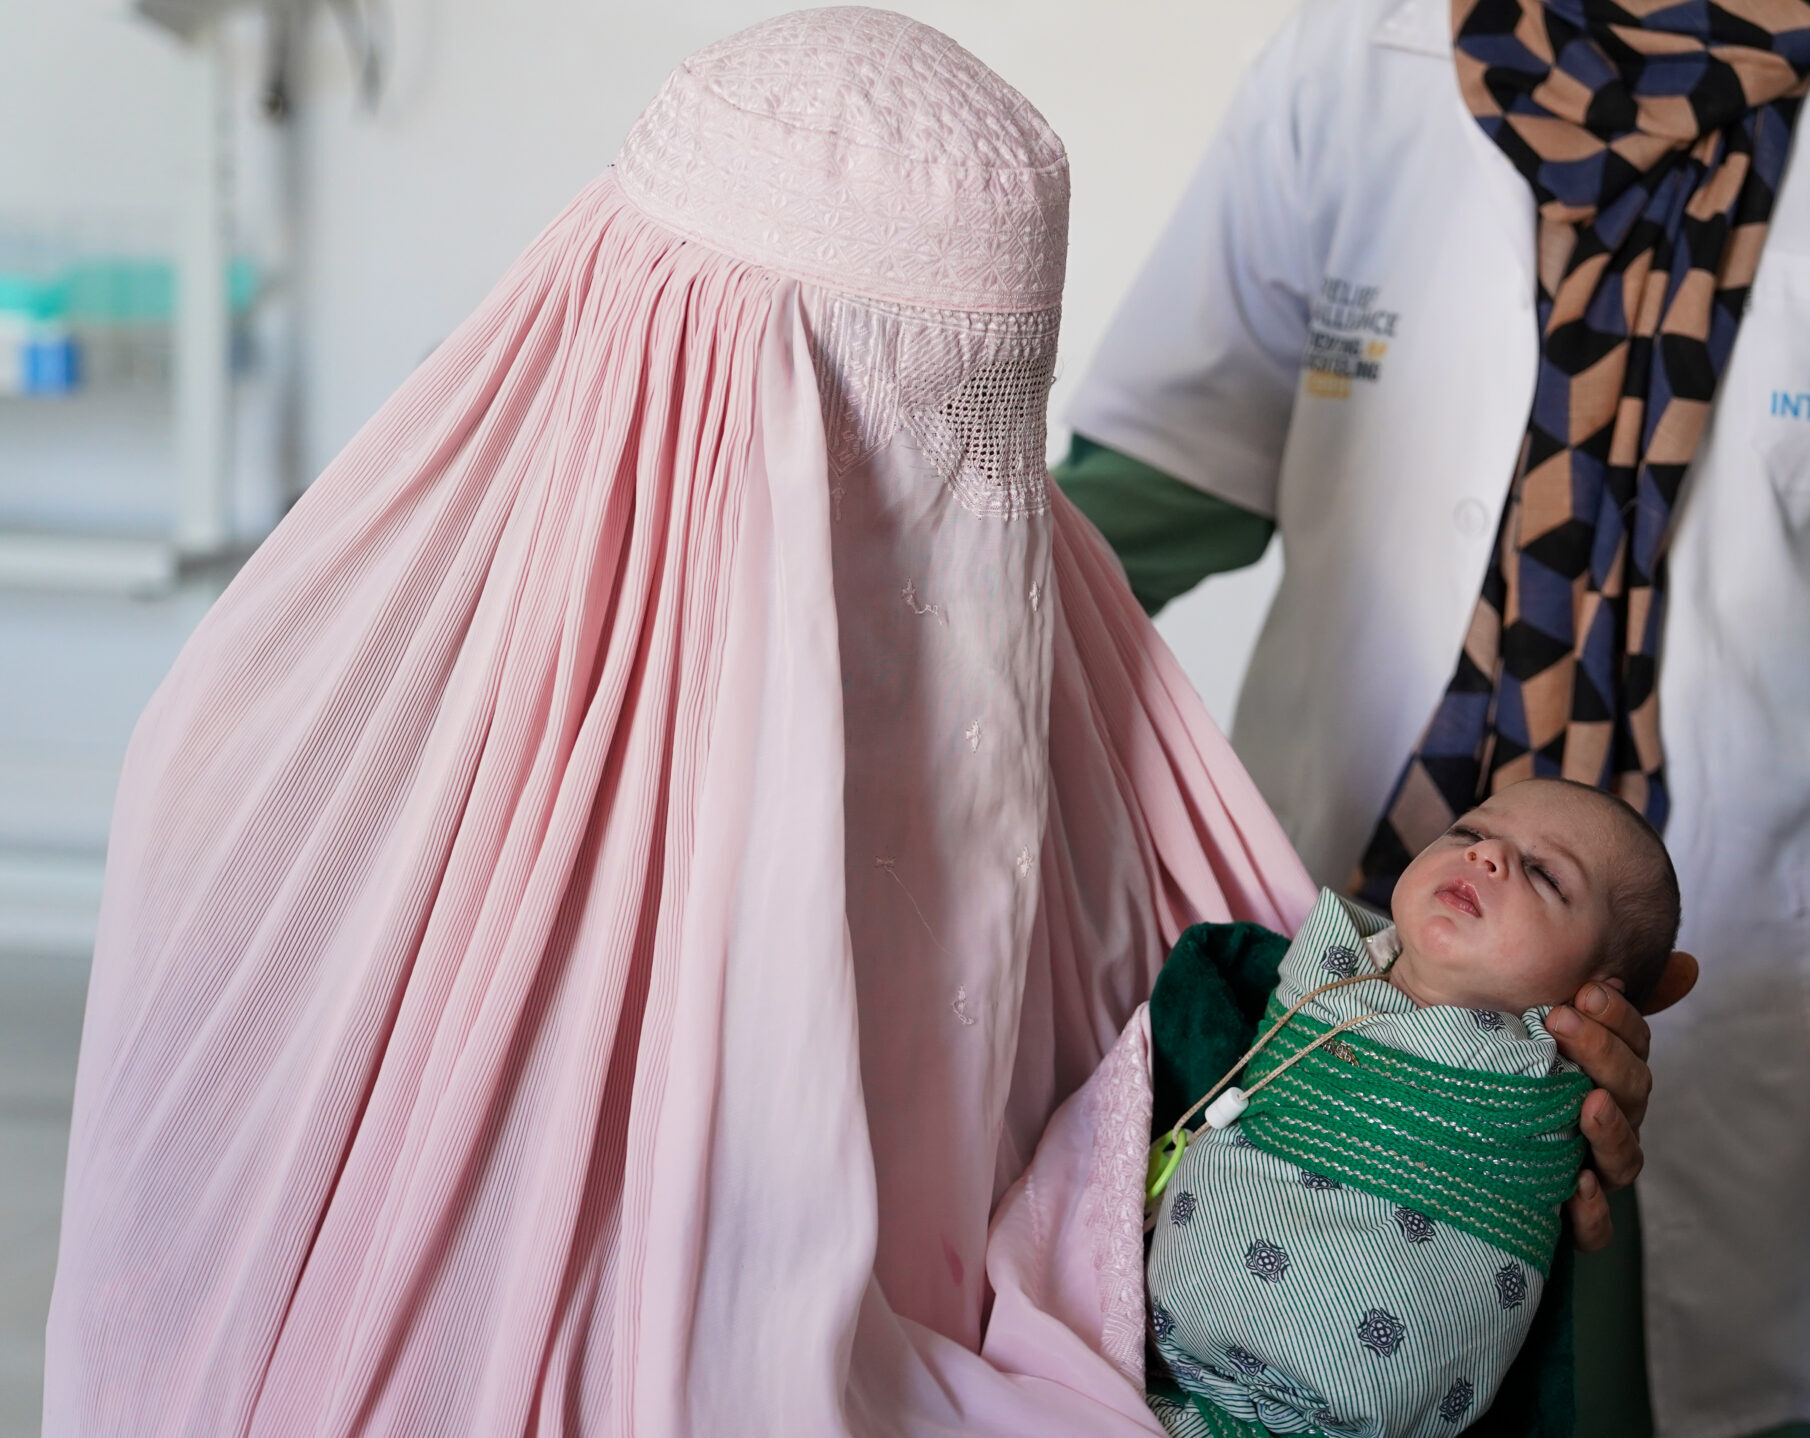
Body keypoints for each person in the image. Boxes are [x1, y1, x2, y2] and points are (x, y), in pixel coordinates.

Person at [45, 12, 1673, 1434]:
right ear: (671, 381)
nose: (945, 516)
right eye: (872, 432)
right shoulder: (283, 772)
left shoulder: (1087, 787)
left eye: (988, 434)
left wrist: (1482, 1103)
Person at [1057, 0, 1810, 1432]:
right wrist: (914, 637)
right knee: (1276, 1347)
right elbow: (1165, 467)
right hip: (1354, 886)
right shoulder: (1358, 47)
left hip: (1744, 929)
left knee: (1725, 1391)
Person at [1146, 778, 1680, 1438]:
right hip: (1161, 1356)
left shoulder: (1541, 1073)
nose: (1486, 855)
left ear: (1601, 995)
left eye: (1545, 875)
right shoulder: (1324, 973)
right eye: (1469, 832)